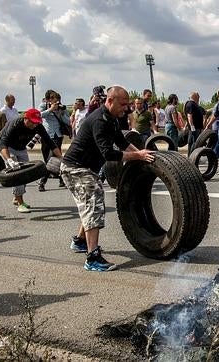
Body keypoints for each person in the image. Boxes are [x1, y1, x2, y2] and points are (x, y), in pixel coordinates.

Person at [60, 86, 155, 271]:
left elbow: (122, 143)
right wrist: (138, 157)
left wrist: (141, 153)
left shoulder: (112, 119)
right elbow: (109, 154)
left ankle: (80, 241)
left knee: (90, 202)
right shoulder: (99, 120)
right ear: (109, 101)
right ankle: (92, 258)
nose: (126, 109)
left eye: (128, 105)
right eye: (122, 104)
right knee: (94, 200)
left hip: (85, 168)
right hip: (75, 169)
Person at [0, 108, 62, 213]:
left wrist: (61, 158)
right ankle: (20, 203)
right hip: (7, 147)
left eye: (37, 123)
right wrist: (9, 160)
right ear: (26, 118)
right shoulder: (15, 124)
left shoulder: (38, 126)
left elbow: (50, 142)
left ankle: (16, 197)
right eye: (33, 122)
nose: (35, 125)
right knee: (17, 172)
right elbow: (3, 143)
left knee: (26, 174)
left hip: (21, 147)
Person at [38, 90, 71, 191]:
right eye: (54, 100)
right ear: (49, 100)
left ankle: (42, 182)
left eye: (57, 101)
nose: (56, 103)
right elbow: (38, 115)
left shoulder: (61, 108)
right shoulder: (44, 106)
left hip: (57, 136)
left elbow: (68, 121)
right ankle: (61, 179)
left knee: (51, 159)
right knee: (49, 159)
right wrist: (50, 110)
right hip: (46, 135)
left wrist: (61, 114)